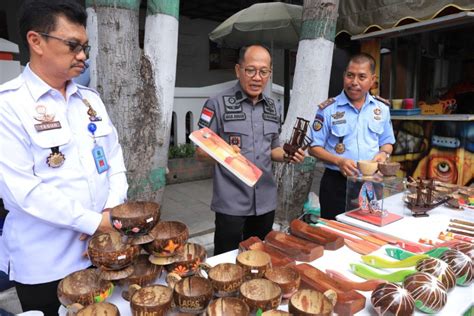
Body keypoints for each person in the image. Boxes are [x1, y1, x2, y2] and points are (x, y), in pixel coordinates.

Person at [0, 0, 128, 314]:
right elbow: (23, 192)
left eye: (85, 46)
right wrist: (95, 221)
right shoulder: (9, 106)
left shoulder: (90, 101)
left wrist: (112, 208)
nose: (82, 55)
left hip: (101, 253)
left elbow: (113, 158)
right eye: (72, 45)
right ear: (36, 41)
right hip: (47, 264)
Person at [196, 45, 304, 255]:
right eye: (250, 70)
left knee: (258, 259)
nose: (257, 77)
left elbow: (273, 149)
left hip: (265, 201)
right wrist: (224, 152)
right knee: (225, 263)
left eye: (263, 72)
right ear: (238, 70)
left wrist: (289, 155)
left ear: (269, 74)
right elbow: (199, 152)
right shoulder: (217, 103)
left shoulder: (273, 107)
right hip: (231, 203)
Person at [308, 53, 395, 220]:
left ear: (372, 80)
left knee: (367, 231)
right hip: (336, 183)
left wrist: (383, 154)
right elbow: (313, 147)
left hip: (371, 182)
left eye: (362, 77)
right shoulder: (328, 109)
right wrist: (338, 161)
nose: (354, 82)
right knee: (334, 234)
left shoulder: (381, 109)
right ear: (344, 76)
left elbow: (387, 142)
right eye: (350, 75)